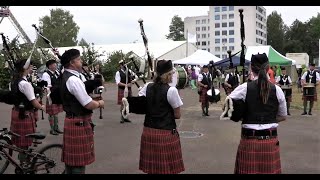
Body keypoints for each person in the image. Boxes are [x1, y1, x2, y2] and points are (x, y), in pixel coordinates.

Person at [226, 53, 287, 174]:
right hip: (270, 142)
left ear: (251, 68)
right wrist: (268, 119)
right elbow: (282, 116)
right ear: (268, 67)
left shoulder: (244, 88)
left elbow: (228, 107)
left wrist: (242, 114)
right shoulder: (277, 90)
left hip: (249, 142)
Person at [59, 49, 104, 174]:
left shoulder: (68, 76)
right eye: (79, 59)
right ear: (72, 63)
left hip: (72, 120)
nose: (81, 61)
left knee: (71, 163)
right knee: (78, 164)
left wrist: (91, 98)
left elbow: (79, 98)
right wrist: (99, 103)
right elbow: (88, 104)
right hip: (78, 122)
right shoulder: (74, 80)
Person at [138, 60, 184, 174]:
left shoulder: (147, 86)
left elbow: (141, 103)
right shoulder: (171, 90)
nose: (173, 75)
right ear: (168, 75)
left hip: (148, 132)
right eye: (172, 73)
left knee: (152, 170)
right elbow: (177, 115)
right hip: (165, 133)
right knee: (166, 170)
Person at [10, 59, 46, 165]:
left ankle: (22, 161)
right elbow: (34, 102)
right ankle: (24, 163)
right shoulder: (25, 84)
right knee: (24, 142)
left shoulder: (14, 81)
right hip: (24, 114)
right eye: (30, 66)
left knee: (21, 142)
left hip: (17, 112)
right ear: (24, 68)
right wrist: (42, 107)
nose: (32, 67)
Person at [41, 59, 64, 135]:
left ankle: (56, 128)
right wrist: (49, 96)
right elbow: (47, 86)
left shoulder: (56, 72)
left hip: (57, 95)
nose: (56, 65)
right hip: (51, 95)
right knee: (52, 113)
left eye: (55, 64)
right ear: (50, 66)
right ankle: (52, 129)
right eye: (54, 64)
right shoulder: (46, 74)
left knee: (56, 113)